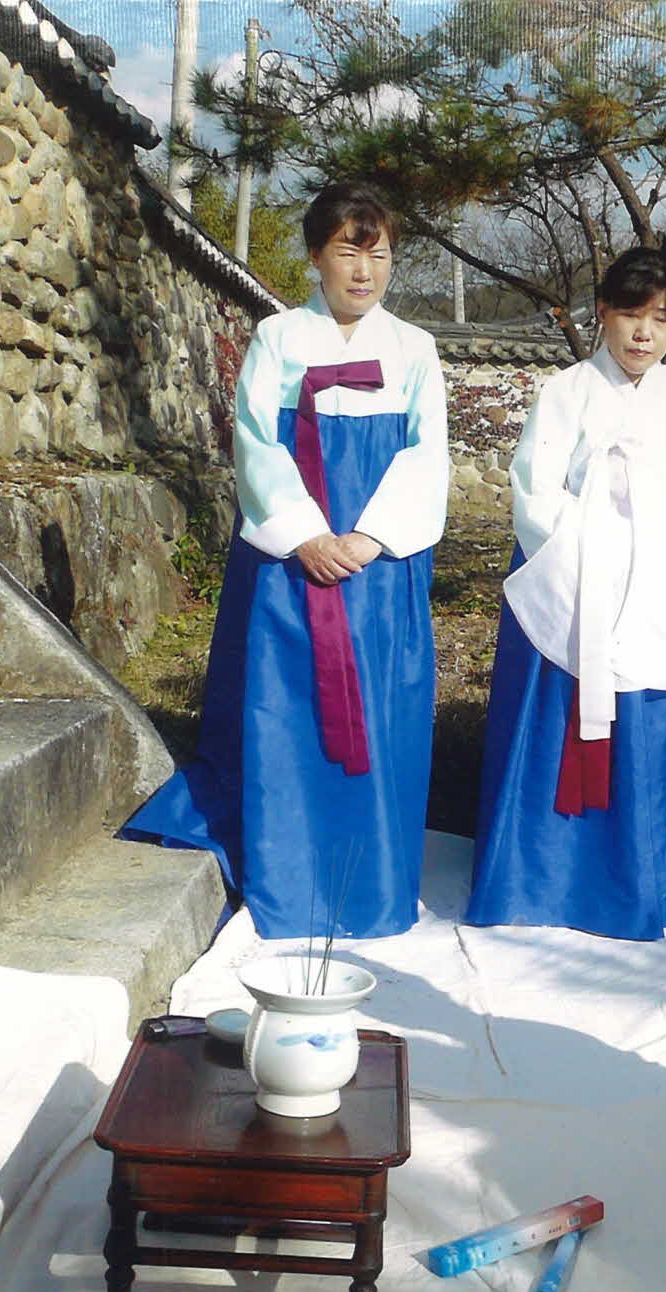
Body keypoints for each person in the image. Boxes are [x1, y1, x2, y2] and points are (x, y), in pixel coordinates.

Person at [122, 184, 449, 939]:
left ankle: (371, 881)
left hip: (378, 561)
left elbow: (426, 454)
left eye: (379, 254)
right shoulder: (277, 338)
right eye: (347, 251)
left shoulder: (415, 349)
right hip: (290, 558)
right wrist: (305, 536)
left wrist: (369, 538)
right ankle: (288, 873)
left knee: (378, 706)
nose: (364, 271)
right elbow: (255, 443)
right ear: (315, 256)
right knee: (288, 705)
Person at [463, 249, 666, 940]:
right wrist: (594, 545)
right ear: (602, 313)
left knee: (658, 729)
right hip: (576, 578)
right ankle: (546, 879)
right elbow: (535, 492)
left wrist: (665, 546)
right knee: (558, 721)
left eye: (661, 319)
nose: (643, 333)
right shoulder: (565, 392)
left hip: (664, 582)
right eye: (630, 314)